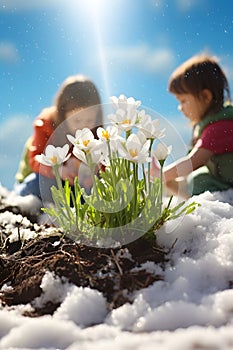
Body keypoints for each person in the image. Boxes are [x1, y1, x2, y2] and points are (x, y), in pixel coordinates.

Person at [151, 53, 233, 198]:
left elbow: (193, 162)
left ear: (206, 97)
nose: (180, 107)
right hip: (222, 177)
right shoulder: (215, 124)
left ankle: (183, 189)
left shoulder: (219, 128)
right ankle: (179, 186)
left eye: (183, 101)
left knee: (199, 181)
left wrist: (162, 174)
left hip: (226, 183)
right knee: (196, 178)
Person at [15, 75, 103, 202]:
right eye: (77, 120)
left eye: (89, 120)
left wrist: (94, 175)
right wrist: (58, 170)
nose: (83, 126)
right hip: (40, 177)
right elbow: (35, 160)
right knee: (39, 185)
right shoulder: (45, 124)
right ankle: (23, 199)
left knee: (90, 193)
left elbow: (103, 164)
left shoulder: (97, 133)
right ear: (62, 115)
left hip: (72, 185)